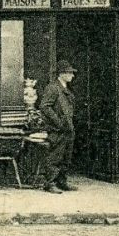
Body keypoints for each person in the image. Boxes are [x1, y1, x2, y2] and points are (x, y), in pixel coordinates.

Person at [40, 62, 78, 194]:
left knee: (66, 156)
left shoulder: (65, 88)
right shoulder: (53, 88)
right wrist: (58, 123)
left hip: (67, 128)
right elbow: (45, 106)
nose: (72, 75)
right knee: (55, 156)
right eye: (69, 73)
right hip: (58, 129)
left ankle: (62, 182)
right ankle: (50, 183)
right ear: (62, 74)